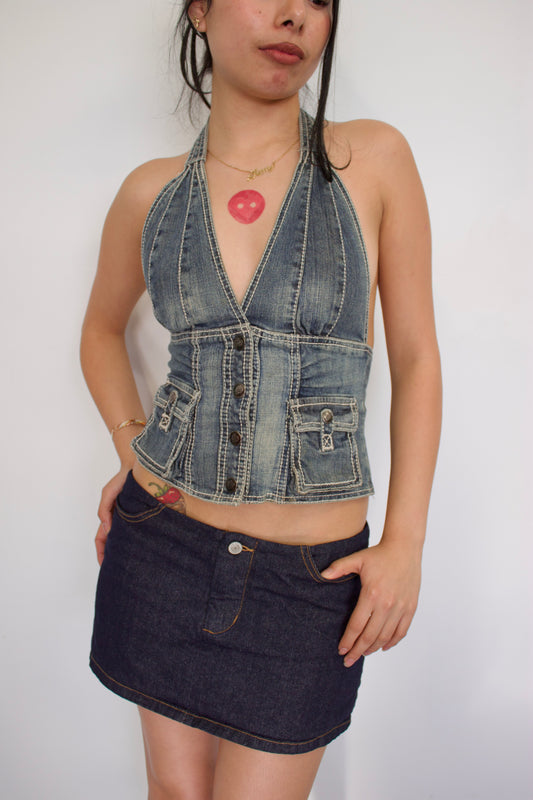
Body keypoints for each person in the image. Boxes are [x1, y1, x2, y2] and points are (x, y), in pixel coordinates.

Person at [81, 1, 442, 798]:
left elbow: (417, 359)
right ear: (200, 12)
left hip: (308, 579)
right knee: (175, 794)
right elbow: (100, 331)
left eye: (316, 0)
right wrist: (133, 447)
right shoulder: (150, 192)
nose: (292, 17)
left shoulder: (371, 159)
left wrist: (406, 542)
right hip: (161, 547)